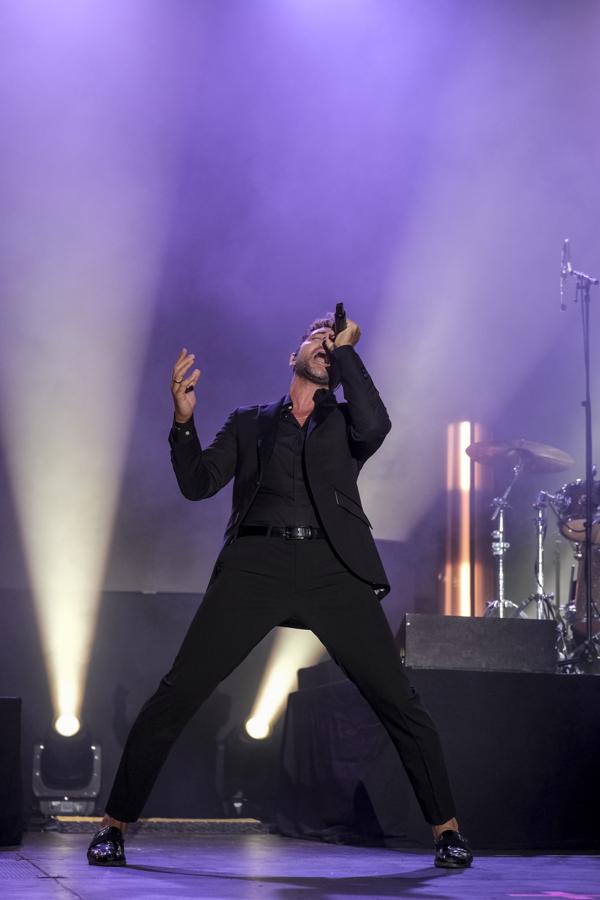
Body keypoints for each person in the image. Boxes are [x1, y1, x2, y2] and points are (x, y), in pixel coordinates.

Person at [87, 314, 473, 870]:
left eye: (331, 345)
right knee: (177, 692)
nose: (323, 347)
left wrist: (344, 350)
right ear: (290, 354)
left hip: (332, 568)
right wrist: (182, 422)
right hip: (255, 566)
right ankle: (113, 825)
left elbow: (378, 422)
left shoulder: (346, 423)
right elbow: (197, 483)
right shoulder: (251, 422)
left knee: (398, 701)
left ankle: (448, 832)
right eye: (314, 340)